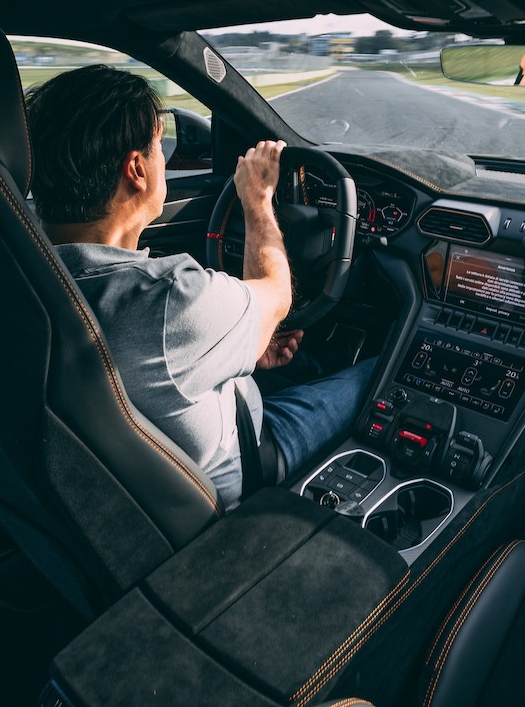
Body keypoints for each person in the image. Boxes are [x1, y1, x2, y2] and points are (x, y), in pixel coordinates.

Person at [25, 65, 375, 507]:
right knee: (380, 374)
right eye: (158, 146)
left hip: (119, 489)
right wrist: (258, 201)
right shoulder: (169, 298)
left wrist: (238, 344)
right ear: (136, 169)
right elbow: (277, 291)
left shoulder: (22, 277)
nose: (162, 158)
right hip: (249, 463)